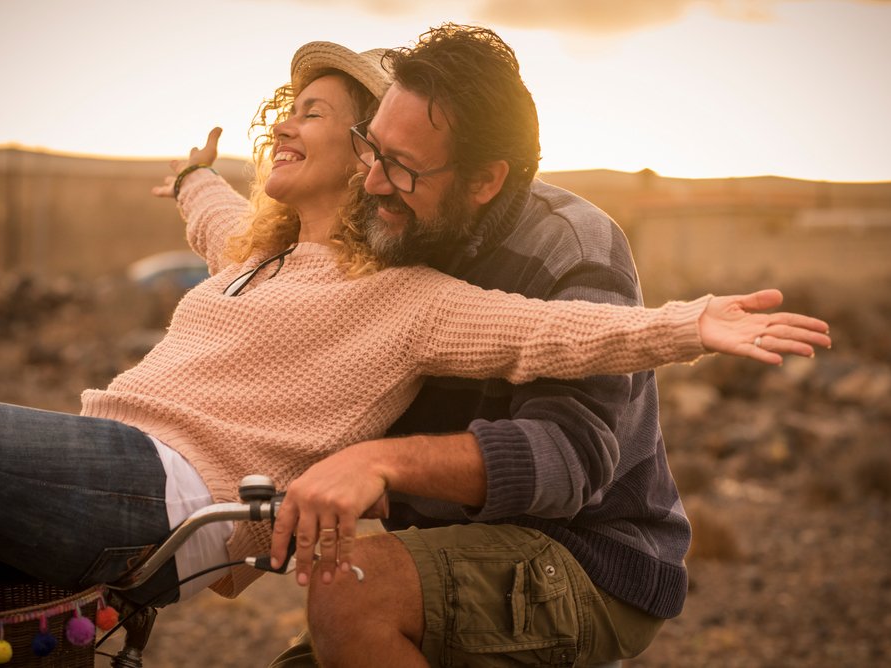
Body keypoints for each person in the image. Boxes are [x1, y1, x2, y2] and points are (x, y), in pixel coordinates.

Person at [0, 34, 827, 635]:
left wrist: (688, 324)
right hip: (106, 454)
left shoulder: (407, 293)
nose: (295, 129)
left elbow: (553, 335)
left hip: (162, 489)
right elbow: (212, 215)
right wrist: (196, 172)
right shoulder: (255, 257)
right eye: (297, 114)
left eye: (330, 122)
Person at [220, 25, 830, 668]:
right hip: (447, 550)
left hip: (591, 558)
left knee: (349, 594)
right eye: (372, 150)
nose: (372, 182)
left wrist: (383, 464)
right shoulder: (387, 225)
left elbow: (572, 458)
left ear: (484, 181)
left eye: (401, 167)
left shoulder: (573, 245)